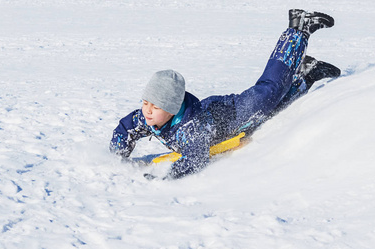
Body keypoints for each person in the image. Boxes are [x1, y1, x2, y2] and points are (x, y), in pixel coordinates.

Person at [110, 9, 341, 179]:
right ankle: (307, 73)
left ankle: (298, 29)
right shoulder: (147, 118)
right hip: (220, 120)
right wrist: (117, 156)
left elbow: (194, 159)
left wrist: (167, 177)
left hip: (235, 112)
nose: (147, 110)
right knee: (276, 112)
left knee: (269, 91)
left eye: (156, 106)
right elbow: (125, 128)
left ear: (171, 107)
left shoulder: (192, 128)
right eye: (146, 102)